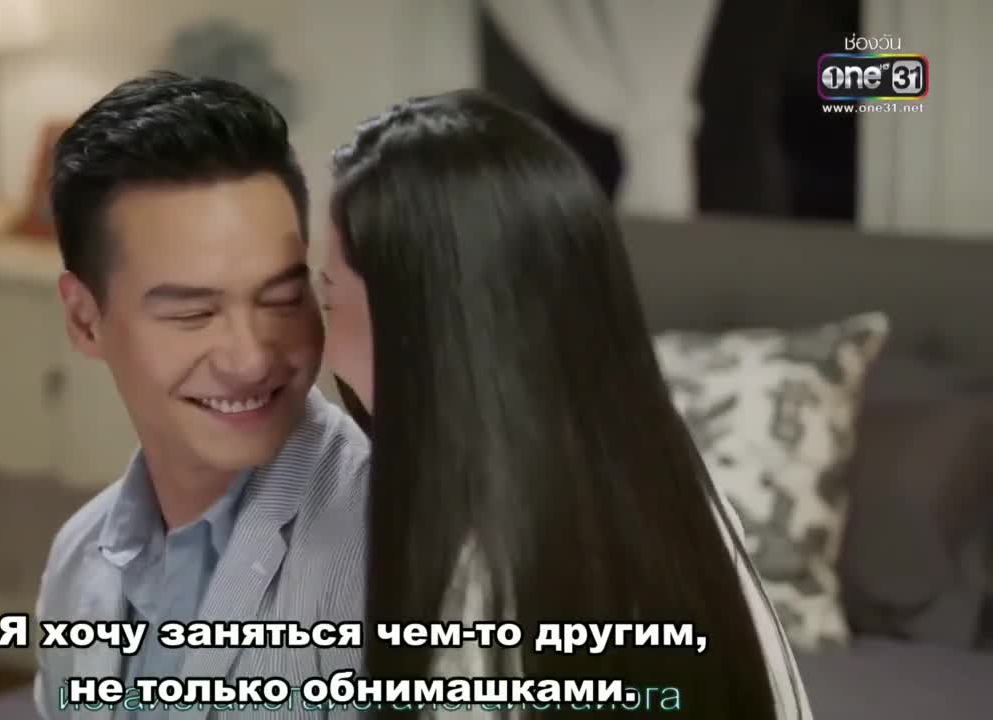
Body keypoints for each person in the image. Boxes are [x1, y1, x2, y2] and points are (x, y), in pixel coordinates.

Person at [320, 90, 813, 719]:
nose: (313, 336)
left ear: (421, 327)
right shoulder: (681, 503)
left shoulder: (476, 600)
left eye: (327, 298)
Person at [33, 71, 369, 720]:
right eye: (192, 314)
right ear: (84, 319)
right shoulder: (78, 558)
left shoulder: (387, 553)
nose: (250, 359)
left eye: (282, 299)